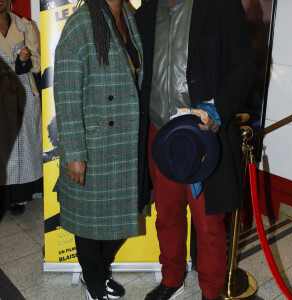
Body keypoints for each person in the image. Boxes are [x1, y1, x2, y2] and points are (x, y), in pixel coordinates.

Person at [135, 0, 255, 299]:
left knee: (209, 221)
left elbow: (243, 65)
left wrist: (217, 110)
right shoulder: (144, 13)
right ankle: (172, 278)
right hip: (159, 133)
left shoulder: (221, 6)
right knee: (167, 214)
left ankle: (212, 290)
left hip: (202, 133)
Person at [53, 0, 149, 299]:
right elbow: (66, 95)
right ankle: (94, 283)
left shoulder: (130, 18)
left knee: (120, 220)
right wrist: (75, 153)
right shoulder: (80, 24)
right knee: (90, 223)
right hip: (95, 143)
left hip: (128, 141)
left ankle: (99, 269)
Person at [0, 0, 43, 217]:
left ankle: (20, 197)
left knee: (25, 148)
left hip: (23, 92)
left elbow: (39, 61)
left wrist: (24, 60)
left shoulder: (25, 26)